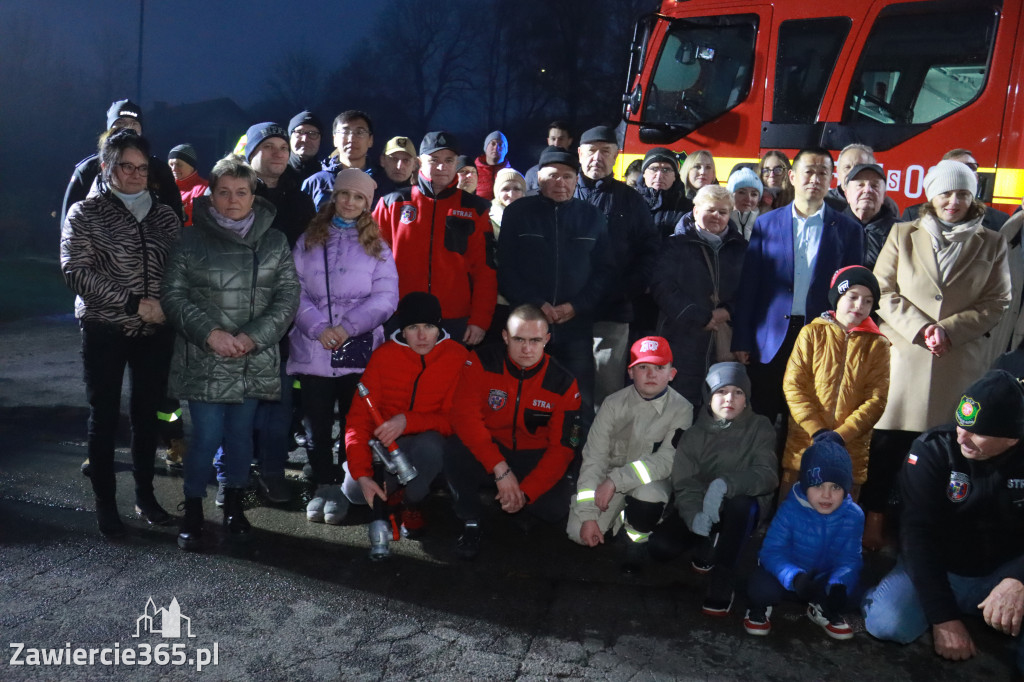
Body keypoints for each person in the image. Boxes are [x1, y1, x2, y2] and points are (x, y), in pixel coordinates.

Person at [863, 159, 1011, 550]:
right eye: (946, 192)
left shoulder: (992, 242)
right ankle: (873, 523)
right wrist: (922, 328)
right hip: (905, 359)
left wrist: (949, 329)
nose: (954, 201)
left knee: (949, 455)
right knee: (887, 450)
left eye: (963, 193)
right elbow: (883, 289)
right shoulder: (902, 234)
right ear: (932, 196)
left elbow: (998, 301)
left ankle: (927, 532)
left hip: (957, 362)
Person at [161, 155, 300, 551]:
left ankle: (234, 505)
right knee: (204, 436)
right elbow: (173, 295)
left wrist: (256, 336)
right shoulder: (190, 239)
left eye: (241, 192)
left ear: (254, 196)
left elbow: (288, 295)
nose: (232, 200)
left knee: (241, 437)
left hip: (252, 356)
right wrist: (212, 335)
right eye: (224, 192)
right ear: (212, 195)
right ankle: (192, 509)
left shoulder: (274, 240)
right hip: (206, 355)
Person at [60, 130, 181, 536]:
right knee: (105, 417)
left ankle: (145, 496)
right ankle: (105, 505)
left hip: (156, 331)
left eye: (142, 168)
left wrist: (167, 305)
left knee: (147, 418)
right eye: (125, 166)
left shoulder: (165, 214)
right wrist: (133, 303)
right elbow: (76, 270)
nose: (134, 175)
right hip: (105, 328)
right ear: (108, 168)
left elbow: (180, 270)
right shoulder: (86, 213)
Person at [863, 370, 1024, 675]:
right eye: (961, 424)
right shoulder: (934, 448)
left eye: (977, 431)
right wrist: (943, 616)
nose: (961, 436)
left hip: (1003, 573)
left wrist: (1018, 580)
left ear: (1011, 438)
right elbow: (916, 533)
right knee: (887, 623)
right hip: (939, 564)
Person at [287, 169, 399, 525]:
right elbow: (293, 289)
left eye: (359, 198)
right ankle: (324, 484)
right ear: (334, 196)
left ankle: (353, 482)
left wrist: (348, 327)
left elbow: (386, 298)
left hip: (359, 350)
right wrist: (318, 326)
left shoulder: (378, 246)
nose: (350, 202)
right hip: (313, 347)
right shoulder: (308, 240)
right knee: (316, 425)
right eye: (345, 194)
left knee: (356, 423)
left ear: (368, 204)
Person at [731, 148, 864, 428]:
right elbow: (750, 285)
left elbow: (854, 294)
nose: (815, 179)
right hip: (771, 338)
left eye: (823, 173)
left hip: (821, 336)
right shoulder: (767, 223)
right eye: (809, 171)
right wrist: (742, 338)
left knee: (808, 420)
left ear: (832, 179)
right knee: (762, 417)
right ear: (792, 176)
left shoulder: (849, 230)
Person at [446, 304, 583, 560]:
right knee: (455, 448)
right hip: (492, 450)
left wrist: (526, 492)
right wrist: (500, 468)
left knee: (554, 509)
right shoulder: (481, 361)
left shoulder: (563, 382)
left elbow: (563, 449)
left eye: (535, 340)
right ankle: (471, 520)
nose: (527, 349)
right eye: (519, 339)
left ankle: (519, 505)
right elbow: (464, 418)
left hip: (533, 455)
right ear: (505, 337)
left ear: (547, 340)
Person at [340, 292, 469, 559]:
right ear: (402, 329)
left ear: (440, 327)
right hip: (386, 446)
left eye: (429, 327)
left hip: (428, 443)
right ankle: (393, 496)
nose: (422, 336)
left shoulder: (457, 357)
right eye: (413, 328)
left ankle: (412, 502)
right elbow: (357, 420)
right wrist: (363, 475)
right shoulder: (384, 357)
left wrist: (407, 420)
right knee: (353, 491)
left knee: (430, 448)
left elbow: (456, 420)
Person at [649, 362, 777, 615]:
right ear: (708, 398)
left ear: (746, 398)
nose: (729, 398)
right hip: (703, 506)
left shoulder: (760, 427)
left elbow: (767, 475)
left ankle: (724, 574)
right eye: (721, 391)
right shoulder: (694, 435)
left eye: (738, 392)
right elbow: (685, 484)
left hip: (741, 508)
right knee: (660, 548)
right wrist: (694, 514)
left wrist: (725, 484)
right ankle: (708, 538)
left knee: (740, 504)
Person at [499, 146, 613, 425]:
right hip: (527, 327)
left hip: (575, 327)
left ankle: (578, 463)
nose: (560, 182)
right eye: (552, 176)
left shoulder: (592, 216)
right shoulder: (518, 213)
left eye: (567, 176)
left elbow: (605, 271)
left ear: (577, 180)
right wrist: (537, 305)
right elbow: (505, 269)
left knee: (579, 401)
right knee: (522, 399)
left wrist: (577, 306)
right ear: (539, 178)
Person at [567, 336, 693, 572]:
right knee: (578, 533)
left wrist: (615, 481)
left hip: (648, 482)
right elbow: (594, 457)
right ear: (630, 373)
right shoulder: (612, 404)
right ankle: (619, 516)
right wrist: (588, 516)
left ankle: (637, 539)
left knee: (649, 494)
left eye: (659, 367)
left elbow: (667, 460)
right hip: (609, 478)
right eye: (642, 367)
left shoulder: (682, 409)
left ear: (672, 373)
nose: (651, 374)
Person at [244, 122, 318, 504]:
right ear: (251, 152)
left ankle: (272, 472)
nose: (277, 153)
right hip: (237, 313)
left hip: (284, 314)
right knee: (236, 401)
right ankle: (234, 476)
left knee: (278, 400)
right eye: (268, 146)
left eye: (282, 146)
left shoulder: (299, 199)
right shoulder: (234, 192)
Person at [373, 131, 497, 346]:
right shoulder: (391, 204)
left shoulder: (475, 209)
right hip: (399, 315)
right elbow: (371, 264)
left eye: (449, 161)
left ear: (456, 162)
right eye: (434, 160)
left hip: (454, 319)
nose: (442, 167)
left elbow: (484, 270)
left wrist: (480, 320)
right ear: (420, 162)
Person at [780, 266, 890, 503]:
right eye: (852, 297)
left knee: (838, 527)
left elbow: (876, 399)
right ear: (837, 297)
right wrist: (817, 431)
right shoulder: (811, 333)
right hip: (805, 447)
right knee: (791, 524)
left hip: (849, 452)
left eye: (868, 301)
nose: (859, 306)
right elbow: (794, 386)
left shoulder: (878, 345)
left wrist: (842, 435)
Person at [743, 432, 863, 639]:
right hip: (789, 577)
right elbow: (771, 552)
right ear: (806, 486)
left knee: (855, 592)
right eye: (818, 486)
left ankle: (820, 608)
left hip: (821, 579)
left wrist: (838, 584)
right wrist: (795, 577)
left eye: (835, 487)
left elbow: (850, 558)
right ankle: (761, 607)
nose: (826, 495)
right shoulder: (790, 509)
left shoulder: (854, 515)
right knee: (760, 588)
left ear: (846, 488)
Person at [574, 126, 660, 408]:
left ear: (616, 157)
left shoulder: (631, 200)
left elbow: (648, 251)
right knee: (566, 389)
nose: (597, 157)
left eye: (605, 151)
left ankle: (603, 451)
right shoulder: (563, 192)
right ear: (579, 154)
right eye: (591, 150)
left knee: (606, 394)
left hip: (612, 312)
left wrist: (627, 289)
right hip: (565, 312)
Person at [650, 185, 746, 406]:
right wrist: (700, 316)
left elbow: (750, 290)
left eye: (723, 212)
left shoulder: (741, 249)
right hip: (682, 338)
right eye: (710, 210)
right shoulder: (674, 245)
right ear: (695, 211)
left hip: (724, 342)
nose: (717, 216)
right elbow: (662, 286)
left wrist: (727, 311)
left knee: (720, 405)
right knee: (679, 404)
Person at [62, 99, 184, 226]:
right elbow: (68, 226)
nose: (127, 128)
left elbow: (176, 224)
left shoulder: (159, 170)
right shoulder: (88, 170)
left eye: (133, 123)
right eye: (120, 122)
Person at [901, 149, 1010, 231]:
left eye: (971, 168)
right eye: (955, 168)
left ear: (976, 178)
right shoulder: (912, 216)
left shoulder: (1000, 221)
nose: (953, 201)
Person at [301, 110, 382, 210]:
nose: (351, 138)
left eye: (359, 132)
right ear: (334, 139)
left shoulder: (383, 181)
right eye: (345, 132)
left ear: (370, 140)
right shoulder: (316, 182)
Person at [484, 168, 527, 345]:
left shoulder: (532, 218)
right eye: (505, 188)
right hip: (495, 299)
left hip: (525, 298)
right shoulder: (486, 217)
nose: (511, 193)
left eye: (517, 188)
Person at [842, 163, 899, 270]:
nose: (867, 190)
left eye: (875, 185)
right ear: (847, 194)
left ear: (884, 195)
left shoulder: (898, 232)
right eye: (860, 185)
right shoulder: (831, 227)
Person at [635, 147, 692, 240]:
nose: (659, 175)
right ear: (644, 173)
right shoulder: (629, 201)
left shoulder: (687, 208)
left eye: (666, 170)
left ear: (675, 176)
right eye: (654, 169)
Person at [524, 120, 573, 193]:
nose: (556, 143)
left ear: (569, 141)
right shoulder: (532, 173)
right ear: (548, 140)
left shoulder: (577, 171)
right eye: (553, 139)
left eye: (561, 139)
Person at [168, 143, 208, 228]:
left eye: (178, 164)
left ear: (191, 166)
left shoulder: (204, 189)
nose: (173, 169)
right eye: (171, 164)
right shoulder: (165, 187)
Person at [287, 110, 324, 181]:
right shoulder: (275, 173)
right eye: (299, 132)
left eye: (313, 133)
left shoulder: (327, 177)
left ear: (320, 140)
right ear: (290, 137)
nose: (305, 139)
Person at [474, 130, 511, 201]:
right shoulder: (472, 172)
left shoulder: (511, 174)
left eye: (500, 144)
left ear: (505, 150)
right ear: (486, 147)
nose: (496, 147)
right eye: (493, 143)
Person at [726, 167, 761, 240]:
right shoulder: (721, 221)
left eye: (754, 194)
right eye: (741, 192)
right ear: (730, 195)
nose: (748, 198)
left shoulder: (766, 222)